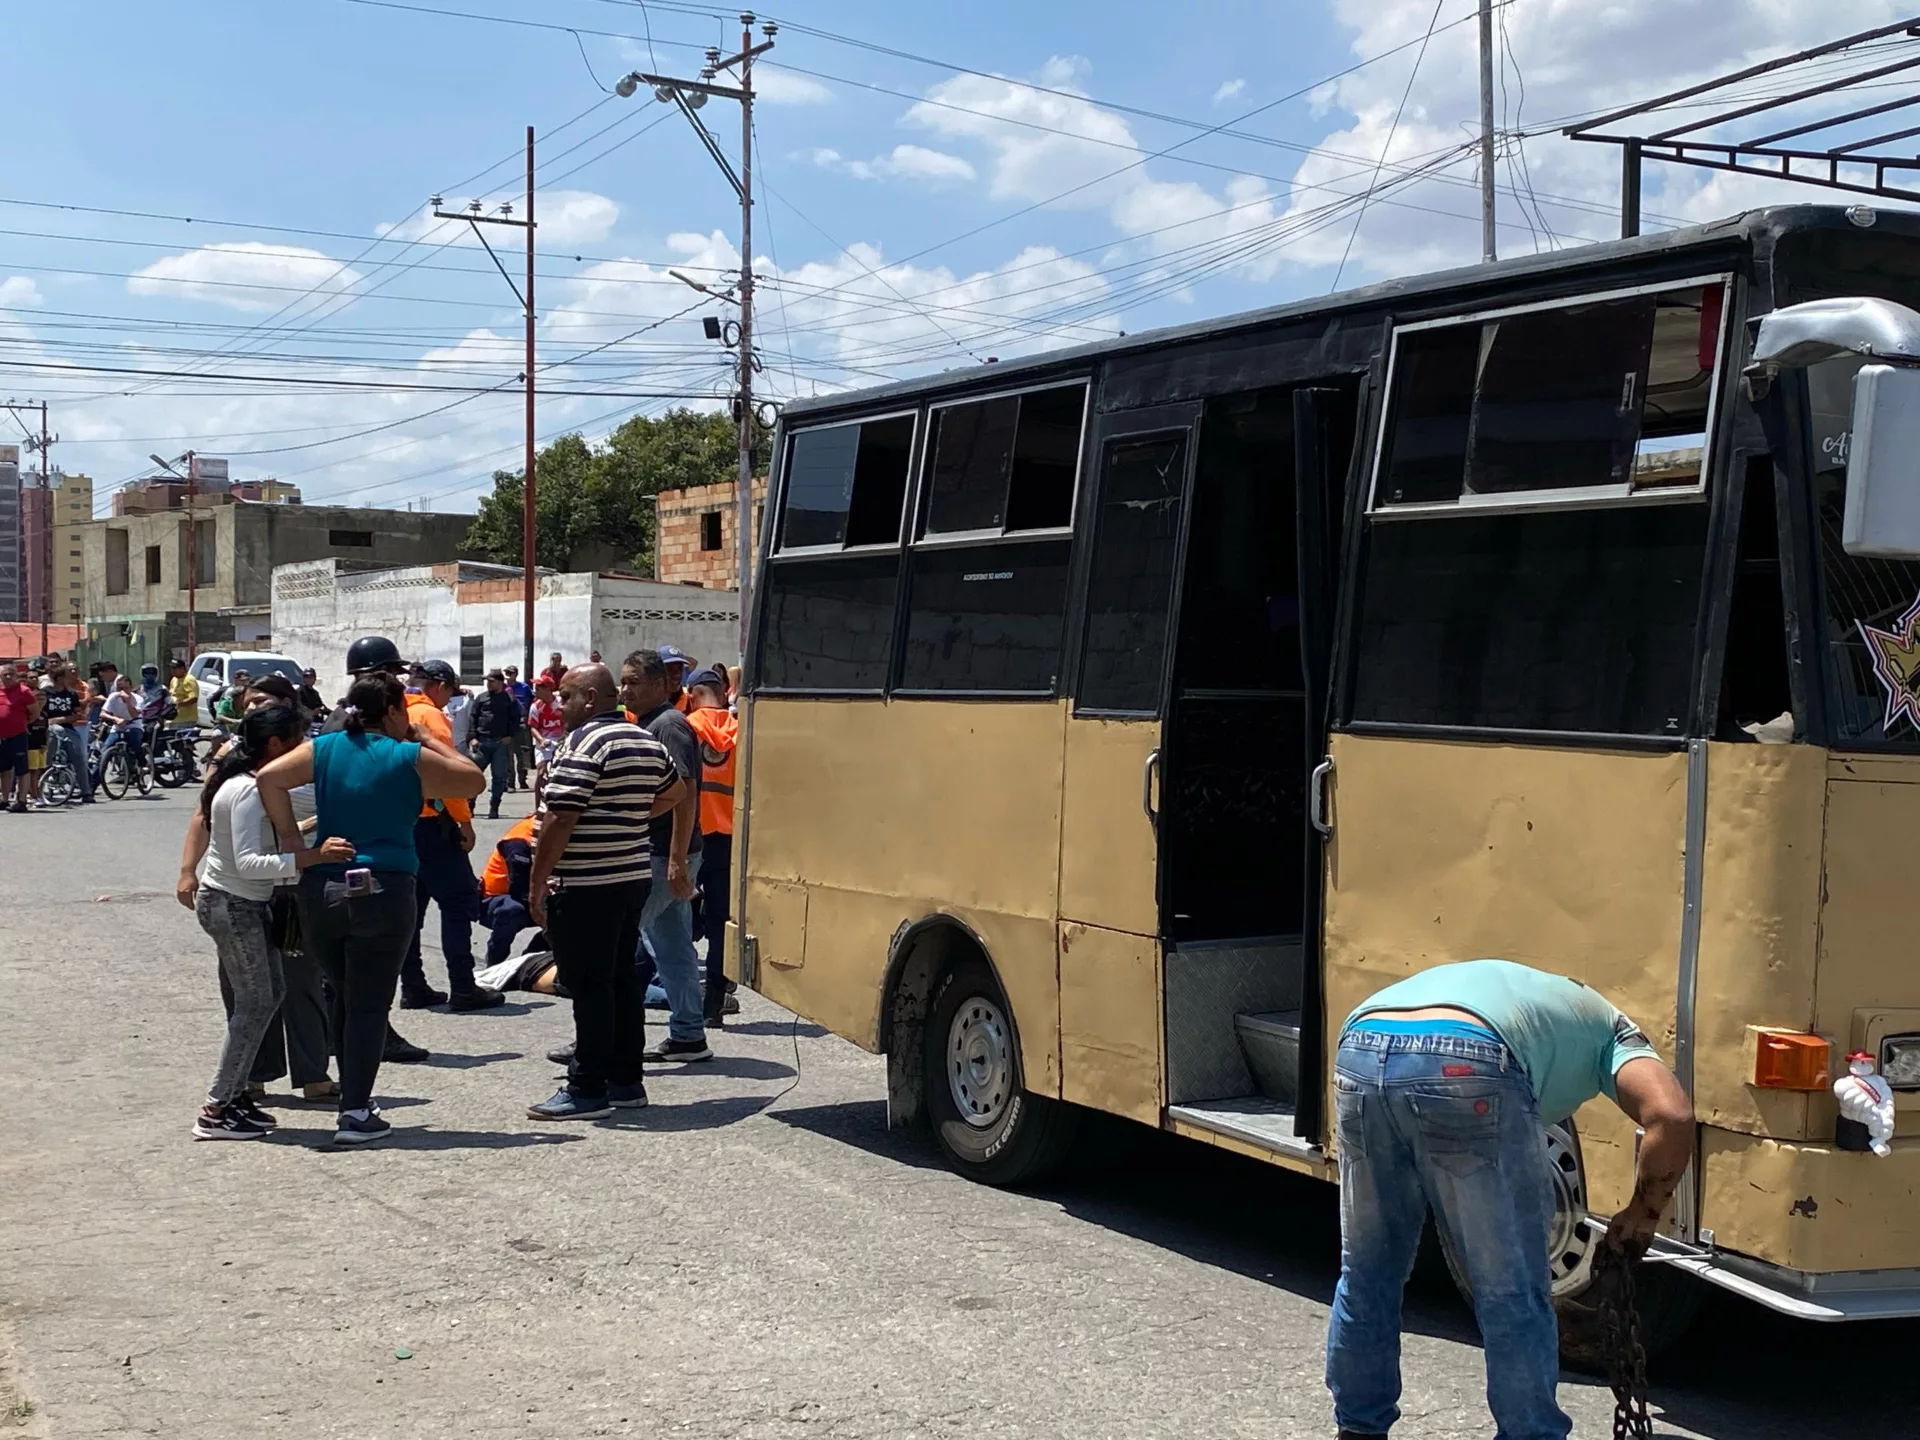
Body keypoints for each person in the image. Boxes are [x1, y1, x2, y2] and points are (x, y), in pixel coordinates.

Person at [1326, 958, 1694, 1440]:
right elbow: (1671, 1115)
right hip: (1469, 1057)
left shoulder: (1546, 1004)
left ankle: (1358, 1428)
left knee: (1368, 1271)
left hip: (1362, 1040)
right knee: (1511, 1288)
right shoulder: (1615, 1036)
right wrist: (1643, 1215)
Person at [256, 670, 486, 1145]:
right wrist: (428, 738)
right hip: (385, 885)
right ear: (396, 711)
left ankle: (352, 1101)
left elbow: (269, 778)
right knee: (368, 1005)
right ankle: (356, 1112)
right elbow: (472, 781)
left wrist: (295, 843)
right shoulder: (406, 755)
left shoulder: (326, 748)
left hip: (323, 887)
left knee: (343, 994)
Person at [191, 704, 357, 1139]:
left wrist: (309, 827)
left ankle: (235, 1098)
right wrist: (313, 856)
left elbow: (256, 840)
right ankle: (216, 1108)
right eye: (297, 740)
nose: (302, 748)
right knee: (255, 1004)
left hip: (241, 903)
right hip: (234, 904)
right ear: (273, 744)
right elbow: (248, 862)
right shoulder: (247, 790)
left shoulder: (246, 785)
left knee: (271, 994)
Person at [524, 663, 681, 1120]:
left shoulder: (583, 742)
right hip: (628, 877)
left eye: (566, 696)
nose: (558, 704)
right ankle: (625, 1081)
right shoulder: (644, 739)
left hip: (585, 883)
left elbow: (561, 816)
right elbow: (673, 793)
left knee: (590, 986)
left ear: (591, 698)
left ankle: (586, 1087)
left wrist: (537, 882)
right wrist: (625, 818)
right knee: (620, 981)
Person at [620, 649, 710, 1064]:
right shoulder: (649, 723)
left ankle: (603, 1041)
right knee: (673, 947)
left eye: (634, 682)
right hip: (668, 854)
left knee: (615, 943)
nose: (625, 690)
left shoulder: (669, 726)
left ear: (660, 684)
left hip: (664, 856)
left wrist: (676, 859)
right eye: (623, 682)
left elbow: (684, 793)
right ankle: (689, 1035)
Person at [399, 659, 501, 1010]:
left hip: (404, 825)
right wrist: (466, 822)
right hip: (435, 824)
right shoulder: (429, 717)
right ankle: (462, 986)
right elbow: (449, 776)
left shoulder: (395, 712)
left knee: (412, 909)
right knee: (458, 903)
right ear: (439, 686)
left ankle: (412, 985)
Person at [684, 668, 740, 1023]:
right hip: (727, 839)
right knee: (720, 921)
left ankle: (671, 992)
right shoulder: (741, 730)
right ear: (723, 693)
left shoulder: (686, 727)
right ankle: (714, 1003)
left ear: (691, 693)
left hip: (689, 835)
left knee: (666, 917)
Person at [480, 811, 545, 964]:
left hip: (536, 893)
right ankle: (494, 963)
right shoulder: (520, 841)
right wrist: (544, 916)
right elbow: (520, 890)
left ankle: (531, 959)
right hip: (497, 899)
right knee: (512, 911)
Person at [470, 669, 523, 817]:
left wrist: (510, 736)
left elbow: (516, 720)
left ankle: (494, 807)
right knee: (474, 776)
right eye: (487, 681)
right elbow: (473, 718)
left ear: (500, 683)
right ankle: (470, 805)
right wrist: (472, 737)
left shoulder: (509, 700)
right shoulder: (481, 698)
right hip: (481, 742)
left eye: (491, 681)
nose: (488, 684)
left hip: (500, 743)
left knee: (499, 778)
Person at [39, 664, 93, 804]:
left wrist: (61, 719)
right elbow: (39, 713)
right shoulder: (46, 692)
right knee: (56, 733)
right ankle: (43, 783)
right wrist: (51, 721)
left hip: (68, 728)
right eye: (67, 676)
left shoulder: (72, 694)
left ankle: (86, 791)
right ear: (60, 678)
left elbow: (77, 715)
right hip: (48, 729)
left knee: (79, 757)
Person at [0, 661, 40, 813]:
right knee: (4, 770)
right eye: (5, 674)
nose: (9, 677)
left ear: (17, 675)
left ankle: (21, 801)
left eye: (12, 674)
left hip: (18, 736)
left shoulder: (24, 691)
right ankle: (4, 800)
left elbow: (34, 712)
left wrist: (24, 723)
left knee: (22, 769)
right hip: (1, 737)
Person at [97, 673, 147, 782]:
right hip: (118, 726)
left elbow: (134, 715)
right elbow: (103, 713)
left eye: (126, 688)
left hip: (134, 725)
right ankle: (94, 782)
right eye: (120, 688)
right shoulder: (113, 697)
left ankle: (141, 763)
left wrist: (128, 702)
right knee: (104, 750)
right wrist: (115, 719)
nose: (123, 691)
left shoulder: (138, 699)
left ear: (131, 687)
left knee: (134, 740)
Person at [503, 664, 534, 788]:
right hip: (508, 724)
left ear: (516, 674)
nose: (508, 676)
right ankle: (510, 782)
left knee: (523, 753)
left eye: (510, 673)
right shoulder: (503, 688)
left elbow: (532, 702)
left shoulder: (524, 687)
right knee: (508, 755)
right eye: (507, 673)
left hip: (522, 723)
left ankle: (522, 780)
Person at [528, 677, 566, 767]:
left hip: (562, 743)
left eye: (538, 689)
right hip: (545, 746)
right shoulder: (535, 706)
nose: (535, 691)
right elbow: (533, 727)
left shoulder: (562, 703)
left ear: (547, 689)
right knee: (542, 772)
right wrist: (541, 740)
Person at [656, 644, 694, 712]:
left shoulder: (691, 702)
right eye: (670, 669)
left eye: (680, 668)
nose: (677, 674)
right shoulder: (646, 703)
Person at [168, 656, 201, 730]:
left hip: (186, 720)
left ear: (183, 669)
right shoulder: (173, 679)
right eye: (172, 668)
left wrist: (177, 704)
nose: (173, 670)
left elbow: (193, 698)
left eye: (175, 668)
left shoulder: (189, 680)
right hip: (174, 718)